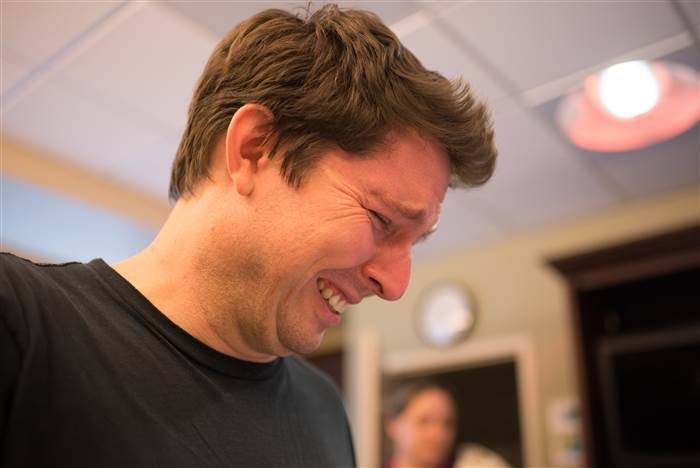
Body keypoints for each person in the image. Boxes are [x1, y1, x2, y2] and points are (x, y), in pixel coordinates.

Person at [0, 4, 496, 467]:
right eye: (382, 219)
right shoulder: (22, 326)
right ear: (255, 149)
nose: (396, 284)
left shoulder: (325, 411)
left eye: (415, 242)